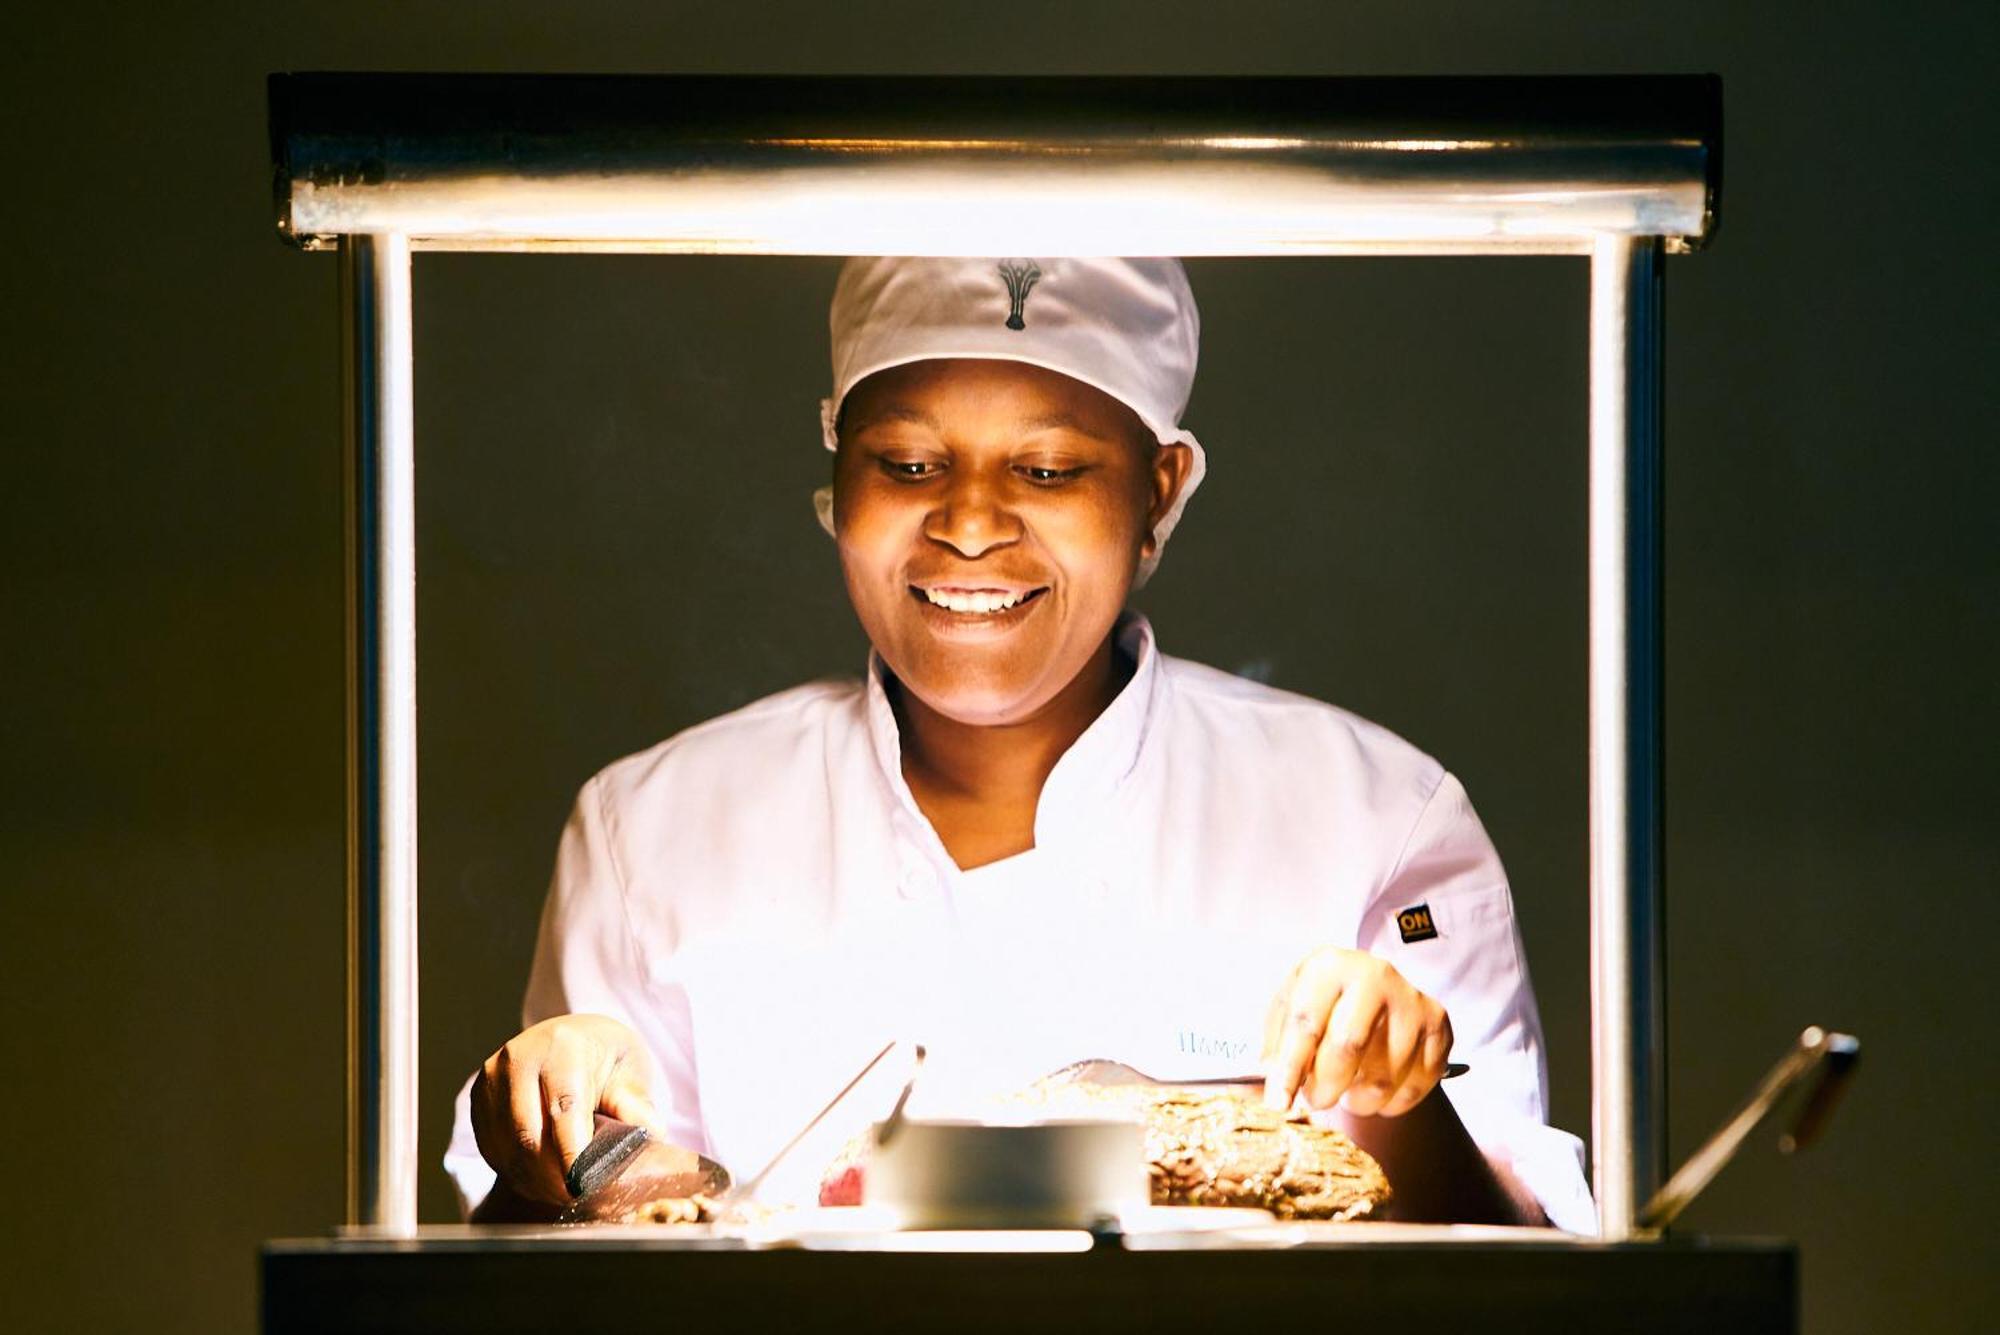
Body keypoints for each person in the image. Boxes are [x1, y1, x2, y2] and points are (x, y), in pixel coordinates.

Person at [444, 256, 1594, 1231]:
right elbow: (591, 1271)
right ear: (835, 479)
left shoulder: (1374, 817)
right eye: (906, 465)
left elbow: (1516, 1277)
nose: (971, 524)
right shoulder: (656, 827)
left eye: (1046, 471)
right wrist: (548, 1138)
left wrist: (1396, 1093)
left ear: (1160, 490)